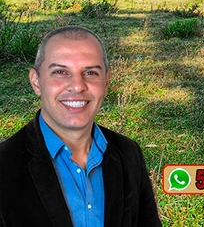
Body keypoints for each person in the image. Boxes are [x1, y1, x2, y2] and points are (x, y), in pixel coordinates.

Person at [0, 26, 162, 227]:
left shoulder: (129, 153)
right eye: (60, 72)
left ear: (106, 82)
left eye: (91, 72)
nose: (77, 86)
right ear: (36, 81)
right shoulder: (4, 166)